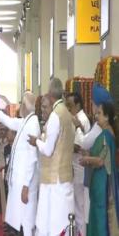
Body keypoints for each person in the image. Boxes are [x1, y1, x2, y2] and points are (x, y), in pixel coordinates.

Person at [28, 78, 75, 236]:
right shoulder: (67, 114)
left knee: (51, 224)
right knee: (64, 222)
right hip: (64, 177)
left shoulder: (56, 116)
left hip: (54, 181)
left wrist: (37, 142)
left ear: (50, 94)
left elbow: (48, 150)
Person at [0, 91, 40, 236]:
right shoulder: (25, 121)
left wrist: (26, 185)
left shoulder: (32, 124)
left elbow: (32, 158)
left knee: (27, 220)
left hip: (25, 182)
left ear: (25, 105)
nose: (19, 106)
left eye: (21, 103)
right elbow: (10, 122)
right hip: (19, 181)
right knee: (21, 220)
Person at [80, 102, 119, 236]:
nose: (96, 116)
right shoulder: (104, 134)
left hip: (103, 186)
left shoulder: (107, 136)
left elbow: (101, 161)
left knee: (101, 221)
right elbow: (99, 157)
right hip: (98, 184)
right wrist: (88, 156)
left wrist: (87, 159)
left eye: (99, 113)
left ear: (107, 117)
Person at [66, 92, 91, 236]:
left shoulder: (81, 119)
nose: (68, 109)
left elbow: (79, 145)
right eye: (67, 105)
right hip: (75, 166)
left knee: (80, 208)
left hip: (79, 167)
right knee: (75, 208)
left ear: (78, 105)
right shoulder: (76, 118)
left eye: (70, 105)